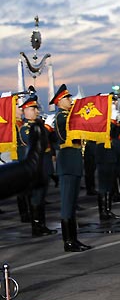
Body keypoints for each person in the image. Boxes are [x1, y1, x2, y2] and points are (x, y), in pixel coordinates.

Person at [52, 84, 92, 252]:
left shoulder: (69, 115)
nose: (70, 100)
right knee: (67, 204)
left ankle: (74, 239)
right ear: (60, 101)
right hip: (67, 163)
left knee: (72, 203)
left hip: (73, 163)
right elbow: (68, 132)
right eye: (67, 98)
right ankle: (68, 241)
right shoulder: (62, 117)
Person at [18, 96, 57, 237]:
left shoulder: (38, 125)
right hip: (34, 168)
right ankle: (37, 226)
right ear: (25, 111)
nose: (36, 111)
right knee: (36, 197)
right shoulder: (26, 129)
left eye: (36, 108)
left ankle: (42, 224)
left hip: (43, 166)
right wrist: (46, 128)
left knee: (41, 197)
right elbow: (34, 140)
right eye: (32, 108)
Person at [95, 94, 120, 221]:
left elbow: (116, 134)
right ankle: (103, 212)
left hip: (111, 153)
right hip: (103, 153)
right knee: (104, 184)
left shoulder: (110, 117)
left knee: (109, 183)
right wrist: (111, 120)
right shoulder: (98, 117)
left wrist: (116, 122)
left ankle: (108, 210)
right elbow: (106, 133)